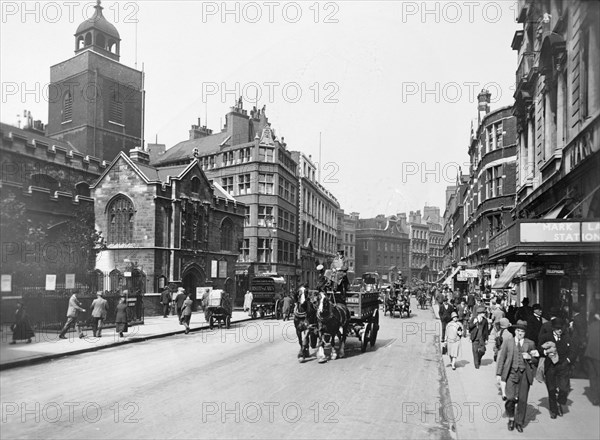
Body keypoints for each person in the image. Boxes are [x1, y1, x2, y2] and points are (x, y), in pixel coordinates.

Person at [496, 320, 539, 433]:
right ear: (515, 331)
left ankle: (519, 422)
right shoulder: (508, 342)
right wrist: (499, 374)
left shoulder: (530, 343)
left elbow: (536, 360)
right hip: (511, 373)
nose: (520, 333)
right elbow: (502, 358)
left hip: (524, 374)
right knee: (510, 398)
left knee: (522, 400)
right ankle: (511, 418)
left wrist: (530, 357)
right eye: (518, 331)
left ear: (525, 333)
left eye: (522, 331)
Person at [539, 318, 575, 418]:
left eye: (561, 328)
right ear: (553, 328)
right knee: (551, 389)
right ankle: (554, 410)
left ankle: (560, 402)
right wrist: (545, 352)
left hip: (563, 366)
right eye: (557, 328)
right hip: (550, 366)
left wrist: (567, 361)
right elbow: (539, 349)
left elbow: (573, 351)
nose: (560, 330)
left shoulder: (566, 338)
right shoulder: (546, 337)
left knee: (564, 389)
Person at [494, 318, 514, 400]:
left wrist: (495, 353)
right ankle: (505, 391)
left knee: (500, 371)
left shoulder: (498, 333)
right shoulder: (510, 335)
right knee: (506, 372)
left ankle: (503, 392)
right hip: (507, 355)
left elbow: (495, 346)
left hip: (499, 354)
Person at [584, 310, 600, 406]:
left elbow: (587, 338)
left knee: (593, 376)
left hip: (589, 353)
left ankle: (595, 398)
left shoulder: (592, 325)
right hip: (598, 355)